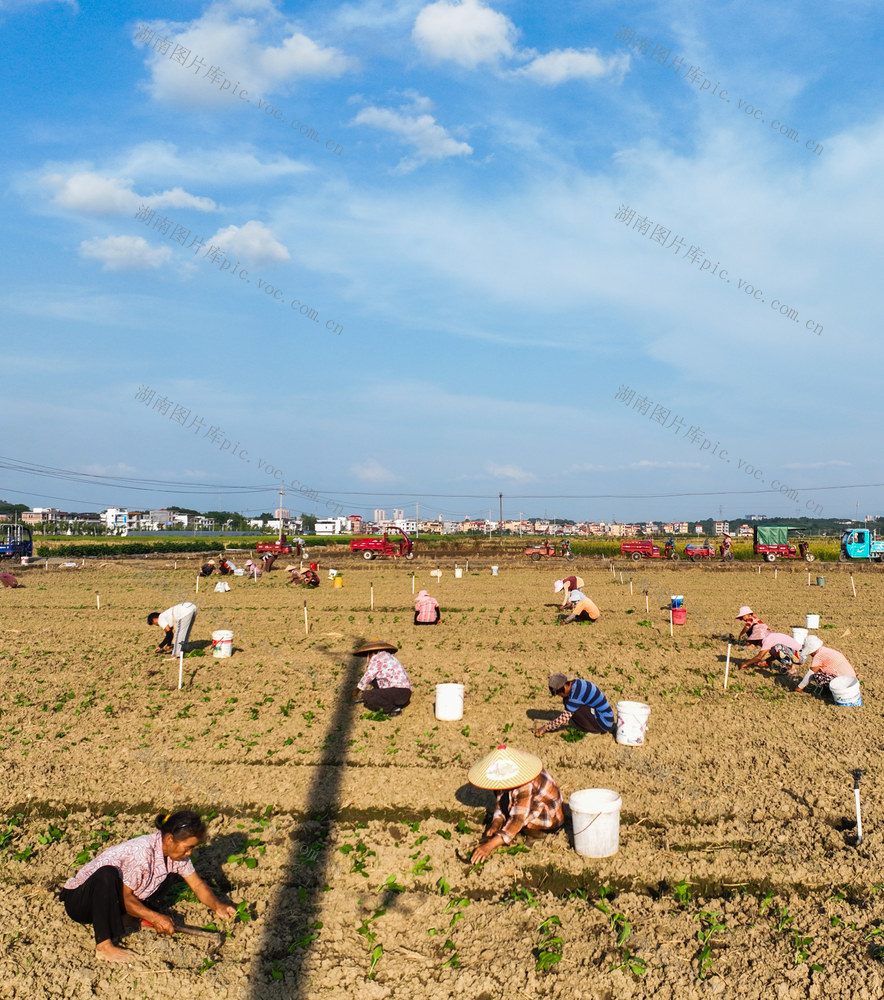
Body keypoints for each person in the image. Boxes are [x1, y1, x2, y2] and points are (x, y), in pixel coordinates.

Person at [59, 810, 236, 964]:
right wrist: (155, 917)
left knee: (166, 875)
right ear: (169, 839)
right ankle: (103, 946)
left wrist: (217, 906)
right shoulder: (142, 853)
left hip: (111, 900)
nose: (189, 853)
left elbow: (197, 884)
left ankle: (125, 918)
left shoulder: (176, 856)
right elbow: (127, 898)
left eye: (193, 848)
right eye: (187, 848)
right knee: (107, 874)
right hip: (82, 901)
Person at [467, 745, 564, 863]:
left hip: (549, 816)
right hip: (529, 804)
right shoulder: (502, 778)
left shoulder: (524, 783)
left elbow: (518, 819)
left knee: (519, 824)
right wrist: (496, 823)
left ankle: (537, 835)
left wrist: (489, 846)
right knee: (508, 815)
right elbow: (501, 801)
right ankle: (508, 833)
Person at [534, 673, 614, 737]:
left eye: (559, 694)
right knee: (568, 703)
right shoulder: (575, 683)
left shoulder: (576, 695)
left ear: (565, 687)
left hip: (603, 722)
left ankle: (594, 730)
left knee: (573, 709)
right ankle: (590, 726)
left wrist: (544, 728)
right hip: (603, 716)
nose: (560, 696)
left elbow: (563, 719)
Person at [352, 640, 412, 716]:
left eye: (368, 655)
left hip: (398, 693)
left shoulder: (376, 658)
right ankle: (390, 703)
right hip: (405, 693)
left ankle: (393, 709)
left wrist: (357, 690)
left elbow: (368, 675)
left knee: (367, 695)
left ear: (371, 653)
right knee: (375, 680)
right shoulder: (389, 657)